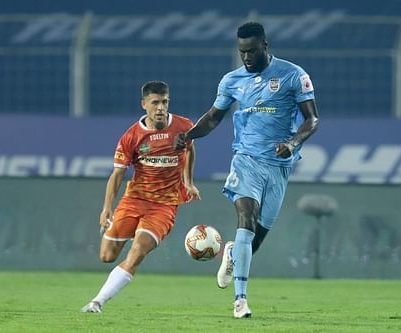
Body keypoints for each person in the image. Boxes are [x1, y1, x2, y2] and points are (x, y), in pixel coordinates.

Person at [175, 22, 319, 318]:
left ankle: (231, 253)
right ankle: (240, 301)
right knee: (246, 219)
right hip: (246, 159)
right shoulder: (232, 80)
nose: (247, 58)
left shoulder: (293, 75)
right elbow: (214, 118)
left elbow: (312, 120)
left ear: (265, 45)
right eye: (242, 52)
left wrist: (292, 142)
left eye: (252, 51)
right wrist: (189, 135)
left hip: (279, 165)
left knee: (256, 238)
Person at [81, 80, 200, 313]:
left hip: (164, 205)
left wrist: (188, 182)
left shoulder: (183, 127)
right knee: (107, 256)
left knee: (137, 252)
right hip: (134, 200)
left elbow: (190, 149)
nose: (160, 108)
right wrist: (107, 208)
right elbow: (117, 175)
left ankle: (97, 301)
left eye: (164, 102)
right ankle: (122, 227)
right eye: (155, 103)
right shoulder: (131, 137)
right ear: (144, 104)